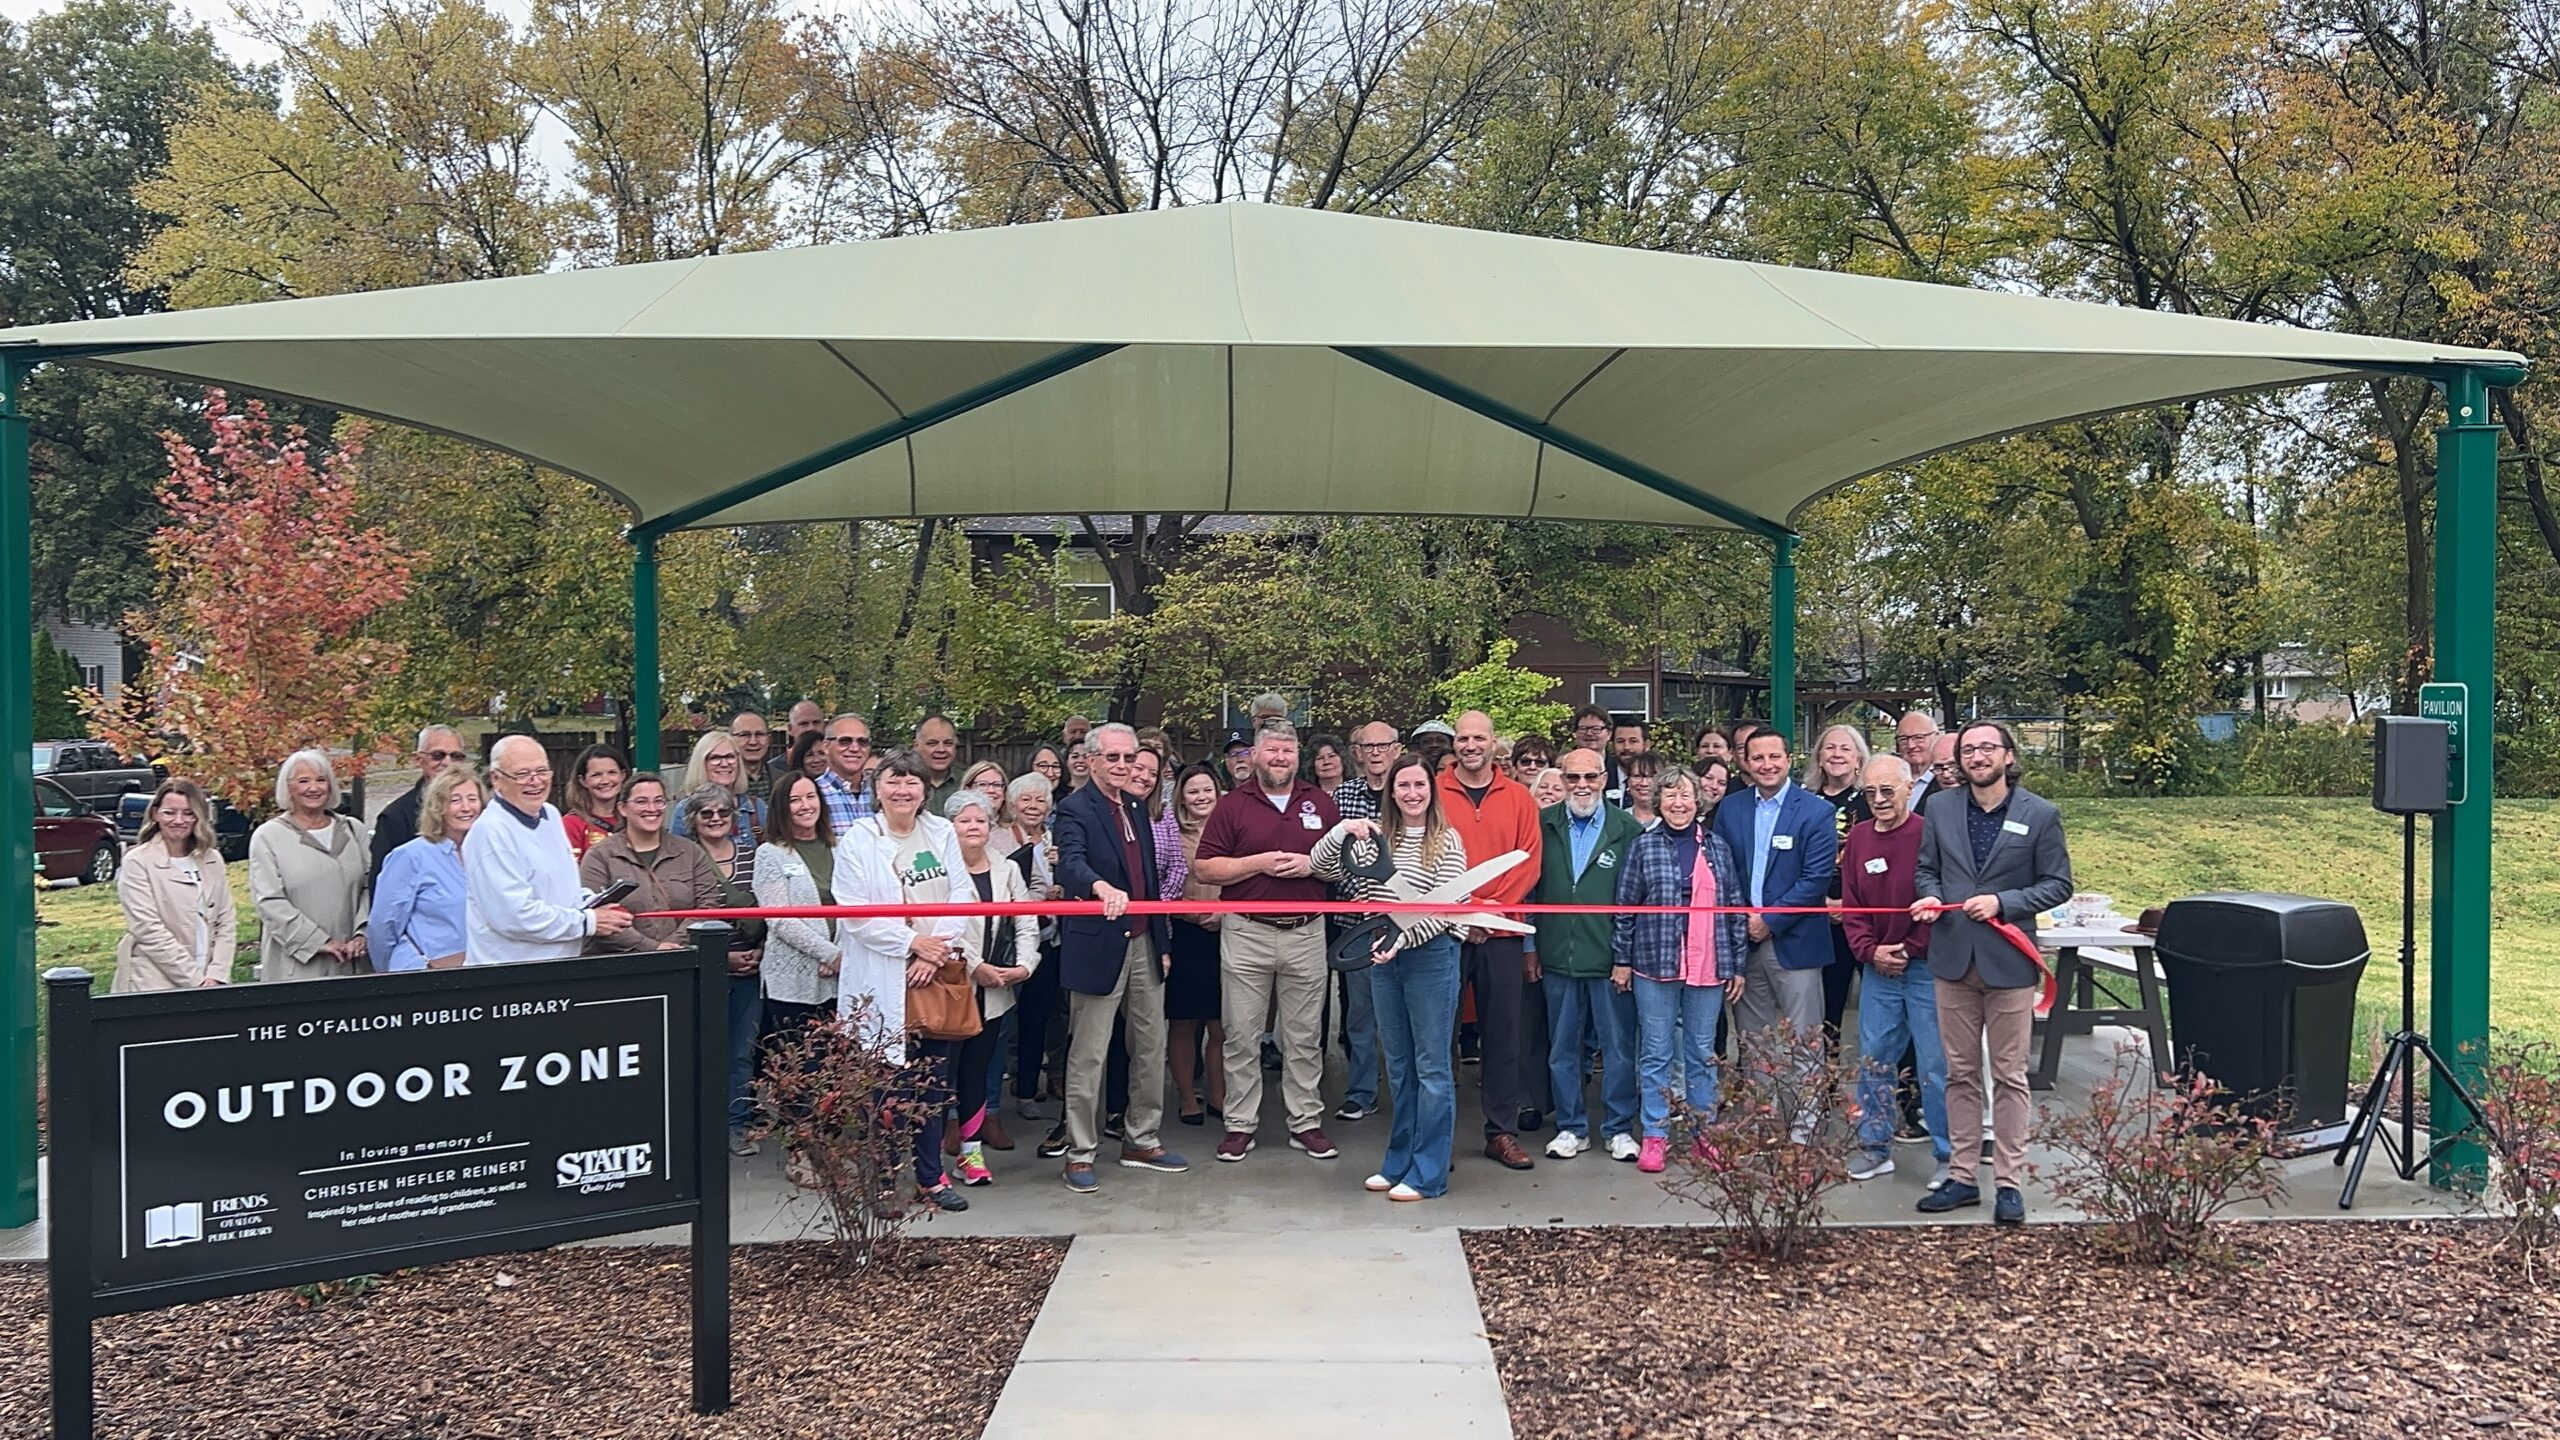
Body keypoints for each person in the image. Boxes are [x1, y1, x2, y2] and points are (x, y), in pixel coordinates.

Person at [1914, 721, 2073, 1224]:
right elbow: (1926, 870)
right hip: (1952, 958)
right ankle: (1961, 1176)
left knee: (2009, 1075)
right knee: (1958, 1074)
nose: (1978, 756)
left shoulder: (2040, 814)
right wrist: (1932, 896)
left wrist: (2005, 901)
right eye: (1969, 750)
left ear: (2008, 755)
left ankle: (2008, 1181)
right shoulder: (1939, 808)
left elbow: (2058, 884)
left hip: (2009, 962)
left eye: (1987, 748)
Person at [1311, 752, 1471, 1200]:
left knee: (1432, 1069)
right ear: (1391, 791)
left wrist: (1402, 939)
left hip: (1431, 958)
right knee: (1398, 1067)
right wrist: (1342, 829)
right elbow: (1321, 866)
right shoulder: (1374, 838)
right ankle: (1399, 1160)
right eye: (1404, 786)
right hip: (1382, 958)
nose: (1412, 793)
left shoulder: (1447, 841)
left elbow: (1447, 908)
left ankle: (1428, 1173)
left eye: (1420, 785)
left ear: (1431, 791)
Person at [832, 748, 975, 1211]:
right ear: (877, 787)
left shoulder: (940, 832)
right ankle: (886, 1179)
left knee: (933, 1085)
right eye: (893, 781)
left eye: (912, 782)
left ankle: (931, 1179)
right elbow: (854, 911)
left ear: (925, 789)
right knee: (885, 1087)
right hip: (883, 975)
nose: (902, 790)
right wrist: (912, 944)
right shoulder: (858, 838)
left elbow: (962, 893)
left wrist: (933, 952)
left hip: (933, 974)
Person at [1194, 718, 1342, 1164]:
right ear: (1254, 756)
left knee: (1303, 1036)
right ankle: (1240, 1124)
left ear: (1298, 756)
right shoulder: (1232, 805)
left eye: (1288, 751)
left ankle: (1306, 1122)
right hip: (1247, 930)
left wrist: (1311, 866)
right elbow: (1205, 869)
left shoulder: (1319, 802)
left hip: (1306, 931)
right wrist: (1256, 863)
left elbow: (1343, 869)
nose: (1280, 758)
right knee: (1241, 1034)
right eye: (1272, 751)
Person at [1053, 723, 1189, 1191]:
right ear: (1090, 760)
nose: (1122, 766)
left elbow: (1149, 882)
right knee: (1089, 1054)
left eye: (1129, 758)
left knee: (1151, 1048)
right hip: (1097, 944)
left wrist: (1162, 944)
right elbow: (1069, 862)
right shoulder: (1073, 809)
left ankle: (1142, 1138)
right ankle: (1080, 1152)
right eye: (1112, 758)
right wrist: (1098, 885)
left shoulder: (1137, 806)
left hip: (1144, 942)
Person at [1613, 766, 1750, 1173]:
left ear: (1699, 801)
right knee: (1655, 1052)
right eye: (1670, 795)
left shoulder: (1718, 847)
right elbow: (1625, 909)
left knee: (1701, 1052)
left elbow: (1734, 910)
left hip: (1708, 963)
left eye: (1685, 796)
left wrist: (1737, 964)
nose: (1678, 803)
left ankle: (1703, 1132)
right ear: (1659, 801)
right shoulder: (1643, 847)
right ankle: (1655, 1135)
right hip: (1654, 963)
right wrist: (1621, 959)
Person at [1435, 710, 1546, 1170]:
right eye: (1463, 738)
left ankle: (1500, 1132)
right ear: (1454, 743)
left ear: (1494, 743)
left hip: (1500, 930)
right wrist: (1461, 912)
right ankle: (1434, 1135)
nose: (1470, 745)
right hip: (1444, 930)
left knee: (1503, 1035)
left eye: (1479, 737)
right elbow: (1425, 856)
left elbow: (1528, 863)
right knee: (1439, 1035)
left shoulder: (1519, 797)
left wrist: (1487, 911)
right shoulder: (1433, 791)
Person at [1711, 728, 1839, 1122]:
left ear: (1789, 759)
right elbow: (1718, 869)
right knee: (1754, 1043)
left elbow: (1815, 880)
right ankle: (1761, 1123)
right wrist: (1743, 922)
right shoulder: (1731, 809)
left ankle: (1804, 1127)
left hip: (1795, 943)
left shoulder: (1816, 811)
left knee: (1804, 1041)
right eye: (1758, 758)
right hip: (1743, 943)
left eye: (1774, 757)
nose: (1766, 765)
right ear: (1745, 763)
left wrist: (1769, 920)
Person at [1842, 756, 1950, 1188]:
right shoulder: (1860, 837)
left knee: (1936, 1065)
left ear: (1910, 788)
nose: (1880, 800)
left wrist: (1908, 948)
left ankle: (1949, 1157)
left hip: (1924, 967)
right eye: (1871, 792)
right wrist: (1870, 952)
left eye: (1888, 790)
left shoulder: (1929, 834)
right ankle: (1875, 1147)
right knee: (1874, 1061)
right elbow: (1852, 907)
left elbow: (1942, 903)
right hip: (1878, 971)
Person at [1535, 749, 1643, 1162]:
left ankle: (1617, 1128)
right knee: (1562, 1048)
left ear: (1604, 779)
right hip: (1557, 955)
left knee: (1618, 1048)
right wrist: (1532, 948)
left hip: (1609, 959)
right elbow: (1530, 891)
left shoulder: (1627, 829)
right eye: (1572, 778)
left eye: (1590, 777)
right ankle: (1570, 1127)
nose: (1581, 786)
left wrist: (1626, 958)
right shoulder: (1542, 825)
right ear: (1560, 780)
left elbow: (1636, 901)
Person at [466, 734, 634, 963]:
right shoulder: (490, 832)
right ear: (496, 779)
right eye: (522, 774)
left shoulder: (550, 814)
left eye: (542, 771)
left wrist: (594, 902)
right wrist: (588, 921)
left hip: (559, 966)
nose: (535, 781)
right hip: (511, 973)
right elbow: (514, 917)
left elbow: (565, 890)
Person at [946, 789, 1042, 1188]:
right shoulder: (939, 868)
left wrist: (1025, 964)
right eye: (965, 820)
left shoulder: (1006, 869)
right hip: (950, 988)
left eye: (981, 820)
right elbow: (942, 927)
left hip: (995, 991)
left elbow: (1026, 920)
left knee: (976, 1072)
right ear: (949, 827)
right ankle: (927, 1159)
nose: (974, 827)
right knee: (938, 1075)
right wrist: (977, 966)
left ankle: (970, 1154)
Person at [752, 771, 840, 1172]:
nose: (806, 806)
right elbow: (780, 920)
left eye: (811, 797)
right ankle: (799, 1153)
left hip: (841, 978)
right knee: (798, 1071)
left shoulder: (838, 846)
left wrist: (842, 957)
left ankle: (832, 1148)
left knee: (835, 1068)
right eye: (795, 800)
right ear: (781, 808)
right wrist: (827, 951)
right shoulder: (771, 854)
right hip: (792, 980)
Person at [682, 781, 768, 1156]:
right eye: (707, 813)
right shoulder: (685, 859)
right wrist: (723, 957)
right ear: (692, 820)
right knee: (701, 1051)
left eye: (723, 812)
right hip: (705, 969)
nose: (716, 819)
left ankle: (735, 1124)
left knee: (741, 1052)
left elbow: (773, 908)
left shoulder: (754, 855)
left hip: (753, 969)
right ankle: (699, 1126)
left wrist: (762, 950)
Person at [1329, 720, 1400, 1123]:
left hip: (1405, 922)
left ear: (1396, 748)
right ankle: (1361, 1091)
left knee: (1404, 1010)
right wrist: (1363, 892)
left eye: (1383, 745)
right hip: (1355, 918)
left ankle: (1407, 1090)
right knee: (1359, 1012)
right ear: (1355, 753)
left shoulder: (1410, 790)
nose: (1375, 753)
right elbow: (1330, 854)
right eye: (1367, 746)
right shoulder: (1342, 796)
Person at [250, 749, 370, 982]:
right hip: (297, 967)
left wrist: (362, 934)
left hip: (354, 964)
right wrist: (318, 942)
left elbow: (370, 886)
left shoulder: (354, 830)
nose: (313, 788)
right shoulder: (268, 836)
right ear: (289, 788)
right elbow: (269, 901)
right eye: (303, 781)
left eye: (320, 780)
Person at [115, 779, 238, 991]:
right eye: (170, 812)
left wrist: (217, 974)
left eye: (188, 813)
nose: (179, 820)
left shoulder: (212, 859)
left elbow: (226, 921)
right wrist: (195, 980)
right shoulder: (138, 861)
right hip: (153, 980)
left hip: (211, 980)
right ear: (155, 814)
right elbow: (147, 928)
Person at [579, 772, 724, 952]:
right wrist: (651, 947)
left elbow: (708, 906)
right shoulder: (599, 856)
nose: (652, 808)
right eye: (641, 801)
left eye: (659, 801)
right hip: (620, 966)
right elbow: (597, 915)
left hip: (682, 962)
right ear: (622, 808)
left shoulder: (691, 852)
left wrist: (674, 945)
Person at [371, 766, 484, 973]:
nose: (466, 807)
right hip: (421, 974)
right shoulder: (411, 856)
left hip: (476, 973)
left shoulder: (485, 855)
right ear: (438, 807)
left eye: (472, 799)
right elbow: (383, 926)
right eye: (455, 800)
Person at [1164, 763, 1227, 1126]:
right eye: (1193, 791)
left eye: (1207, 790)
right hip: (1184, 933)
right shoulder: (1172, 832)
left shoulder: (1232, 829)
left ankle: (1218, 1095)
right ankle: (1188, 1097)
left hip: (1227, 932)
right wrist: (1187, 910)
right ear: (1182, 797)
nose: (1202, 797)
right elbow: (1161, 880)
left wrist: (1226, 911)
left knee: (1221, 1025)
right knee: (1184, 1022)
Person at [1805, 723, 1874, 1049]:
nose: (1837, 754)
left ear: (1859, 759)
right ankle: (1827, 1086)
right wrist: (1823, 902)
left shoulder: (1872, 801)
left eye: (1845, 748)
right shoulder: (1804, 801)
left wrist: (1848, 902)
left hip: (1863, 915)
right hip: (1820, 915)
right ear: (1819, 757)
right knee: (1828, 1010)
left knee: (1877, 1007)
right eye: (1830, 748)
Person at [1002, 771, 1066, 1119]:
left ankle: (1028, 1090)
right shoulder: (1000, 838)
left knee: (1038, 1018)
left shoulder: (1055, 838)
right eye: (1025, 799)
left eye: (1040, 799)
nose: (1033, 806)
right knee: (1003, 1021)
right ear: (1012, 805)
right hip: (1012, 942)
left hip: (1050, 940)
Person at [368, 725, 470, 881]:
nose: (447, 762)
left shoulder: (478, 809)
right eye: (437, 755)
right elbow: (384, 885)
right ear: (418, 759)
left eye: (456, 756)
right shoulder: (395, 817)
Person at [674, 729, 763, 844]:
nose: (725, 764)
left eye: (730, 757)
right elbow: (678, 856)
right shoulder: (684, 809)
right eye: (715, 758)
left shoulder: (755, 808)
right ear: (701, 763)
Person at [816, 713, 876, 831]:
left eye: (862, 742)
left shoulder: (882, 792)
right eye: (845, 741)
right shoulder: (812, 794)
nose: (855, 748)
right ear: (825, 747)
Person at [916, 715, 964, 811]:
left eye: (948, 743)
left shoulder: (968, 781)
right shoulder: (904, 784)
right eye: (932, 743)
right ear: (916, 746)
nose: (941, 749)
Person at [731, 710, 775, 794]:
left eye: (760, 734)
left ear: (769, 739)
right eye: (744, 735)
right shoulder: (723, 782)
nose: (753, 742)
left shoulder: (782, 778)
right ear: (731, 739)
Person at [1623, 752, 1663, 827]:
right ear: (1628, 780)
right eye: (1637, 776)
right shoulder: (1618, 819)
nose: (1644, 783)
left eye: (1651, 776)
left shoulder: (1671, 819)